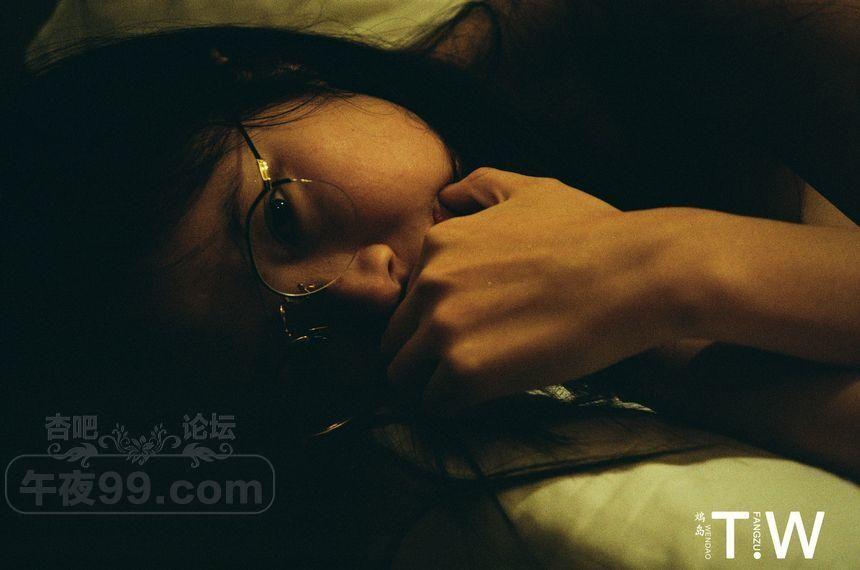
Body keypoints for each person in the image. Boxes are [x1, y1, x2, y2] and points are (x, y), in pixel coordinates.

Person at [4, 0, 859, 563]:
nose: (372, 294)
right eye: (298, 350)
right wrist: (651, 343)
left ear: (260, 77)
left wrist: (663, 261)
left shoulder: (678, 23)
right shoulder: (497, 361)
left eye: (284, 220)